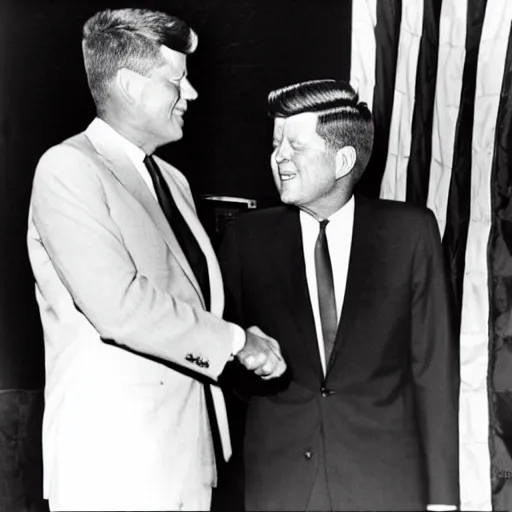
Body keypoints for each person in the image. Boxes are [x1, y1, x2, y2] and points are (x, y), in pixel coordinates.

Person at [26, 8, 285, 512]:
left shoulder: (173, 181)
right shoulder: (68, 168)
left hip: (186, 461)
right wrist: (236, 342)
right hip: (114, 467)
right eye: (177, 80)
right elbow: (119, 307)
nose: (189, 94)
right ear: (129, 84)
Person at [218, 79, 460, 511]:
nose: (279, 158)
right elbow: (229, 370)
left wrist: (443, 500)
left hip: (385, 485)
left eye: (295, 145)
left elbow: (433, 373)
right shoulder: (245, 240)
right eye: (276, 144)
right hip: (279, 486)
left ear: (343, 159)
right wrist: (248, 362)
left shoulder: (411, 233)